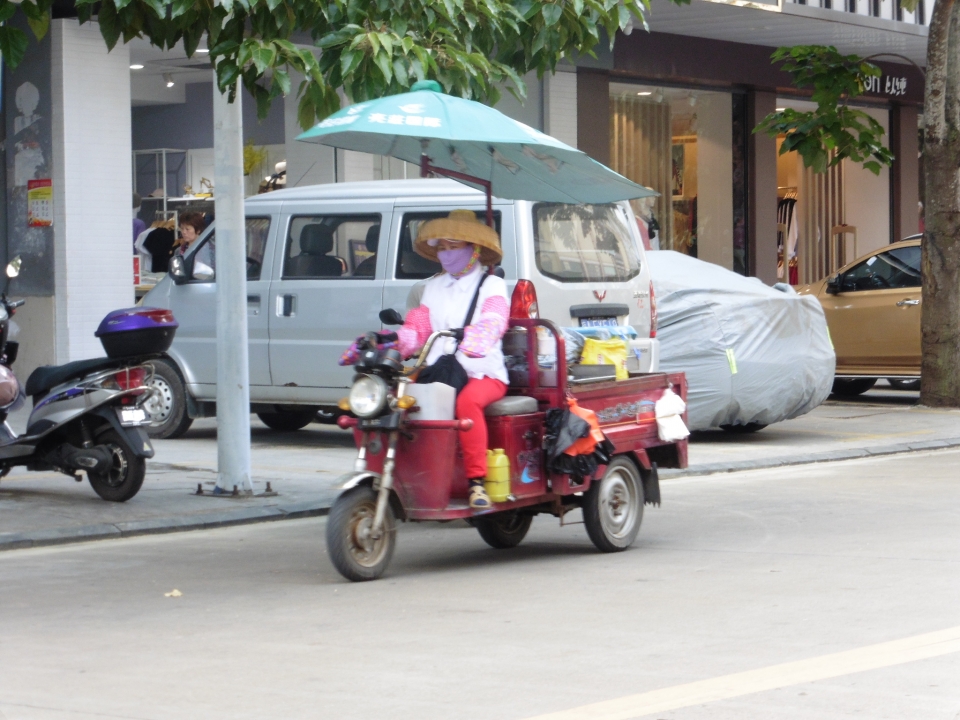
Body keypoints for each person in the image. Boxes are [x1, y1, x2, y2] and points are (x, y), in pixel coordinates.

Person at [397, 210, 509, 509]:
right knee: (396, 399)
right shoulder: (431, 287)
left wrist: (478, 339)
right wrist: (397, 343)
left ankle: (476, 483)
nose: (447, 255)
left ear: (473, 250)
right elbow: (418, 326)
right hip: (440, 371)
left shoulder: (492, 285)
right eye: (442, 248)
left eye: (453, 247)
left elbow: (495, 319)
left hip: (482, 372)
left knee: (466, 404)